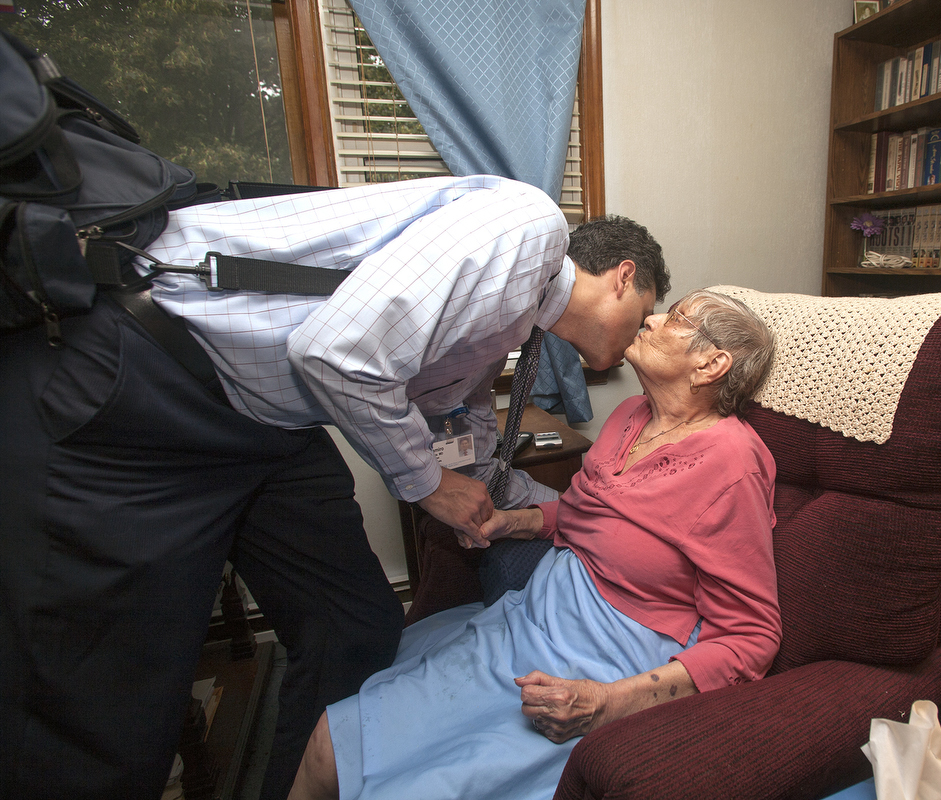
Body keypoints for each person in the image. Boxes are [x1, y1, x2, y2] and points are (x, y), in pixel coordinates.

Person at [0, 175, 669, 800]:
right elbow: (336, 352)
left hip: (269, 424)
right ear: (622, 278)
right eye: (644, 316)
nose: (642, 337)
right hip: (153, 371)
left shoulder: (506, 328)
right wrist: (430, 485)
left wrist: (577, 511)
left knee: (357, 629)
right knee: (108, 699)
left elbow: (471, 442)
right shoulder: (526, 227)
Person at [287, 289, 782, 800]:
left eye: (676, 318)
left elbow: (751, 637)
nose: (652, 319)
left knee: (403, 778)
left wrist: (605, 703)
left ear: (711, 364)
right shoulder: (633, 414)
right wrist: (509, 522)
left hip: (607, 658)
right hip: (535, 616)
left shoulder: (732, 464)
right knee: (330, 742)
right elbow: (587, 517)